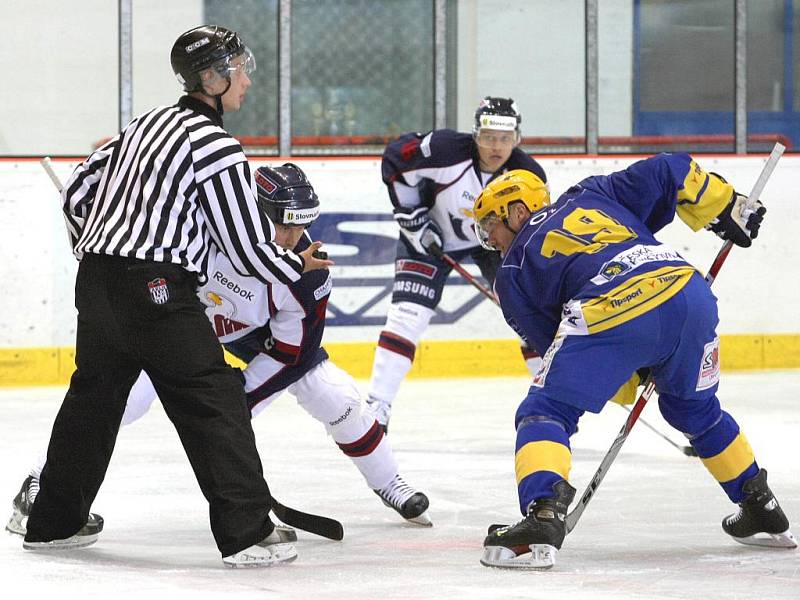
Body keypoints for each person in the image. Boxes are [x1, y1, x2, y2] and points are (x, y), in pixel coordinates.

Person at [22, 25, 331, 568]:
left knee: (92, 400)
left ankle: (53, 523)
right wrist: (294, 264)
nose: (247, 82)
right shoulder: (217, 147)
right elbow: (245, 246)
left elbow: (78, 192)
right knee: (213, 399)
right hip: (156, 288)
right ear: (212, 77)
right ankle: (248, 534)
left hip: (96, 280)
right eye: (239, 69)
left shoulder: (142, 124)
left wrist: (94, 244)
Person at [7, 164, 432, 535]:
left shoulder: (307, 272)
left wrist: (239, 398)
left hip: (255, 334)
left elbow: (292, 351)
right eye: (286, 225)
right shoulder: (199, 233)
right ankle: (42, 484)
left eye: (303, 225)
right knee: (122, 399)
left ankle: (390, 482)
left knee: (333, 394)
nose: (296, 239)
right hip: (177, 320)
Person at [472, 157, 796, 570]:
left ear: (517, 212)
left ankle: (543, 517)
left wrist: (632, 371)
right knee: (693, 407)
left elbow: (558, 345)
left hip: (611, 307)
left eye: (491, 227)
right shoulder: (589, 194)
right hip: (688, 293)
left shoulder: (513, 271)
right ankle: (761, 507)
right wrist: (723, 205)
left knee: (545, 410)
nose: (492, 240)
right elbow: (668, 170)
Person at [367, 97, 548, 430]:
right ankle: (377, 406)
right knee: (407, 316)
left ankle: (551, 402)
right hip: (430, 236)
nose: (497, 146)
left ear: (517, 139)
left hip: (495, 244)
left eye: (505, 138)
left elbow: (530, 228)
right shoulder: (445, 149)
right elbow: (395, 158)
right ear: (476, 134)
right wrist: (413, 218)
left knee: (531, 316)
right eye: (489, 137)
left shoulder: (528, 176)